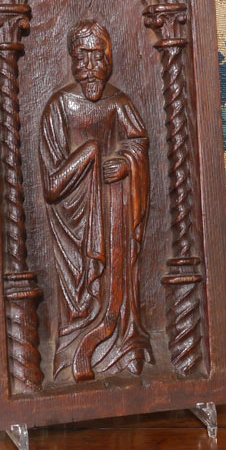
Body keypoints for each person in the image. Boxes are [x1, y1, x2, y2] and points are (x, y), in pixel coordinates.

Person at [40, 19, 152, 382]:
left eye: (97, 57)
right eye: (82, 57)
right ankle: (75, 355)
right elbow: (52, 186)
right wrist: (89, 153)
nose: (90, 67)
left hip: (116, 221)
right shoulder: (59, 107)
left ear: (109, 59)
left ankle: (124, 348)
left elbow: (138, 143)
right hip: (73, 228)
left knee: (119, 287)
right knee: (80, 299)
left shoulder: (119, 104)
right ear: (72, 61)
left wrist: (127, 162)